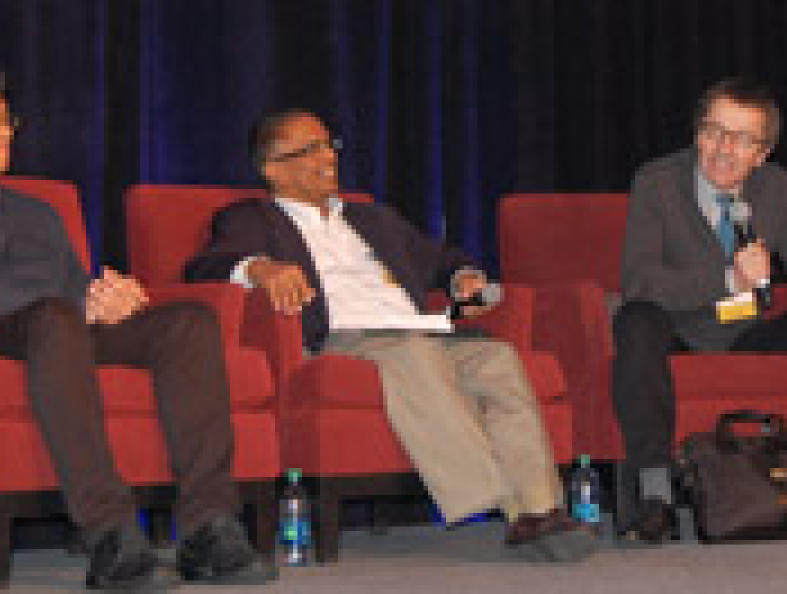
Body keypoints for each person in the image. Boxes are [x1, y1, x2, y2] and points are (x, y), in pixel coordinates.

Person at [0, 67, 277, 590]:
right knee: (56, 318)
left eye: (8, 120)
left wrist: (113, 298)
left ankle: (208, 528)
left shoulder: (37, 213)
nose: (5, 132)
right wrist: (77, 305)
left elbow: (74, 286)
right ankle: (109, 534)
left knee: (187, 323)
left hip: (60, 331)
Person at [184, 109, 597, 563]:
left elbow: (440, 258)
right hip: (347, 339)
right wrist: (260, 268)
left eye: (329, 146)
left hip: (420, 330)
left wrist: (464, 277)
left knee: (497, 358)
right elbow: (205, 266)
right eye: (310, 150)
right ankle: (494, 495)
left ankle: (538, 509)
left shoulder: (372, 219)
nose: (327, 158)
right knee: (416, 356)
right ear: (273, 169)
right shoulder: (251, 219)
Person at [613, 77, 787, 543]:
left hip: (746, 327)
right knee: (636, 321)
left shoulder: (778, 188)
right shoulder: (657, 183)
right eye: (713, 131)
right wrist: (727, 280)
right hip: (678, 330)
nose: (723, 149)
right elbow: (640, 283)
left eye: (740, 138)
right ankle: (656, 499)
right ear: (696, 133)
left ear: (761, 153)